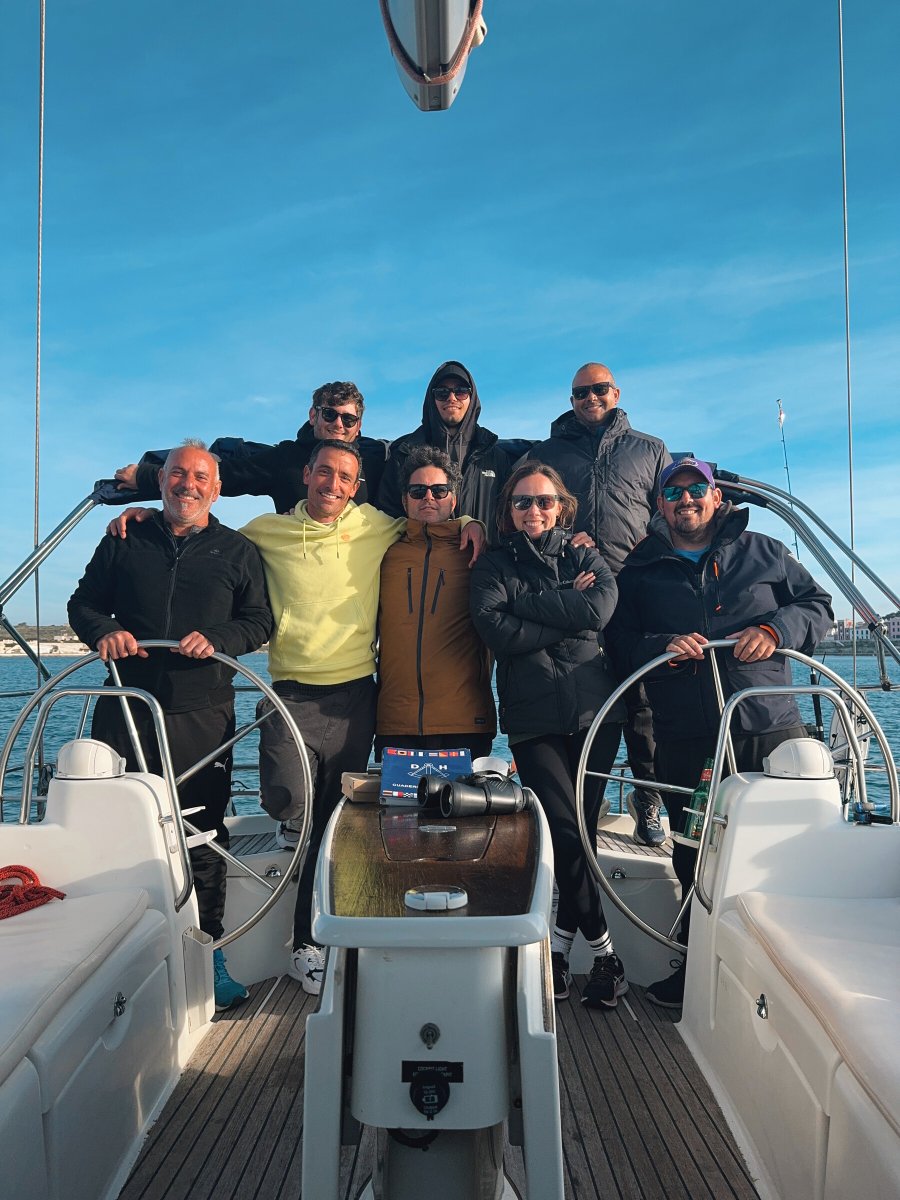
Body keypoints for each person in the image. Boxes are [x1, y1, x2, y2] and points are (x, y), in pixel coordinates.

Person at [240, 439, 484, 995]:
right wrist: (142, 508)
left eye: (345, 476)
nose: (333, 484)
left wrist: (471, 520)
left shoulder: (408, 532)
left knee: (373, 831)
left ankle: (332, 943)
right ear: (306, 475)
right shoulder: (274, 530)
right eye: (324, 472)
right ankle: (324, 926)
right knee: (309, 815)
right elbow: (208, 538)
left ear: (357, 485)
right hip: (327, 702)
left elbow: (449, 522)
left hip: (387, 705)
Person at [609, 456, 834, 1008]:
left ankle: (791, 977)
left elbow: (818, 607)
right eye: (674, 491)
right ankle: (697, 967)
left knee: (783, 848)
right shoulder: (639, 569)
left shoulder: (764, 552)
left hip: (768, 726)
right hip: (687, 735)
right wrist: (658, 647)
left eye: (696, 489)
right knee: (693, 851)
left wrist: (774, 628)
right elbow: (618, 643)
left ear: (716, 498)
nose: (686, 500)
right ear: (659, 502)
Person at [67, 441, 274, 1011]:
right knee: (114, 829)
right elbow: (82, 603)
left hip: (202, 717)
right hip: (125, 710)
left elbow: (259, 621)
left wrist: (222, 640)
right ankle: (120, 952)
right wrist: (103, 631)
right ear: (161, 483)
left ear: (217, 488)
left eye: (200, 476)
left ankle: (210, 953)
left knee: (202, 837)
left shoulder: (238, 551)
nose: (188, 484)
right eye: (178, 474)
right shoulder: (124, 539)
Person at [470, 462, 627, 1008]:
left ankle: (558, 952)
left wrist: (529, 608)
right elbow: (493, 627)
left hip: (594, 713)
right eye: (521, 502)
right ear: (507, 512)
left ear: (561, 505)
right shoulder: (492, 564)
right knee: (564, 828)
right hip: (532, 717)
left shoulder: (585, 555)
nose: (532, 511)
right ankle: (606, 955)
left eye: (542, 501)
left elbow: (600, 609)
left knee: (577, 831)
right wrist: (568, 608)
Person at [523, 362, 672, 848]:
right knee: (581, 689)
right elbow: (535, 510)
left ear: (616, 391)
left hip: (636, 587)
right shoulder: (546, 453)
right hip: (577, 588)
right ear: (571, 400)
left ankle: (647, 794)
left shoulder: (648, 449)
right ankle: (575, 802)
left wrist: (650, 555)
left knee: (644, 696)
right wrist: (566, 536)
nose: (591, 398)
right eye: (581, 392)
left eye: (600, 389)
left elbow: (667, 513)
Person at [376, 445, 496, 762]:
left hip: (466, 721)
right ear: (404, 500)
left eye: (439, 490)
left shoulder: (478, 550)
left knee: (463, 812)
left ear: (453, 499)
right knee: (399, 812)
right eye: (418, 491)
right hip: (395, 721)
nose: (429, 498)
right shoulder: (384, 550)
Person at [111, 381, 389, 512]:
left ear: (359, 425)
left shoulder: (375, 460)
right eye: (330, 414)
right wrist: (147, 477)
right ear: (313, 415)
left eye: (349, 418)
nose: (339, 424)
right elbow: (222, 477)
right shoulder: (285, 458)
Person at [377, 361, 513, 532]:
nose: (452, 398)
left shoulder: (495, 456)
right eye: (442, 392)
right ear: (431, 399)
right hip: (422, 556)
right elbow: (387, 516)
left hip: (482, 556)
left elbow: (510, 515)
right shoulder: (405, 452)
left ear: (472, 398)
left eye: (461, 391)